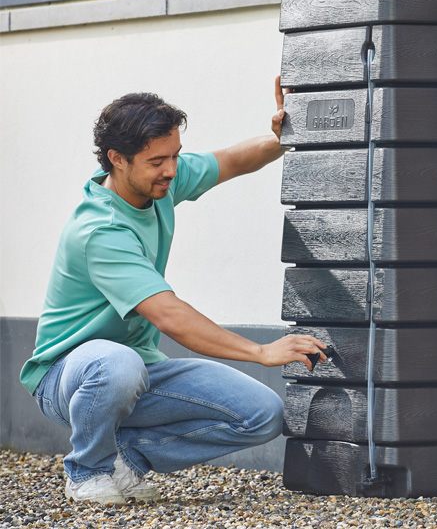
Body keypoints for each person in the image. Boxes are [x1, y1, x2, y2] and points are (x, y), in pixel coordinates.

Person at [19, 77, 327, 505]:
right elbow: (168, 315)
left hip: (137, 370)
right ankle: (87, 470)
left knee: (262, 413)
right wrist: (260, 352)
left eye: (175, 157)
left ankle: (121, 458)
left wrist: (282, 138)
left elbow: (234, 160)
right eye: (157, 161)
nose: (171, 169)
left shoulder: (158, 184)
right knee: (116, 363)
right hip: (67, 377)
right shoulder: (101, 230)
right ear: (118, 160)